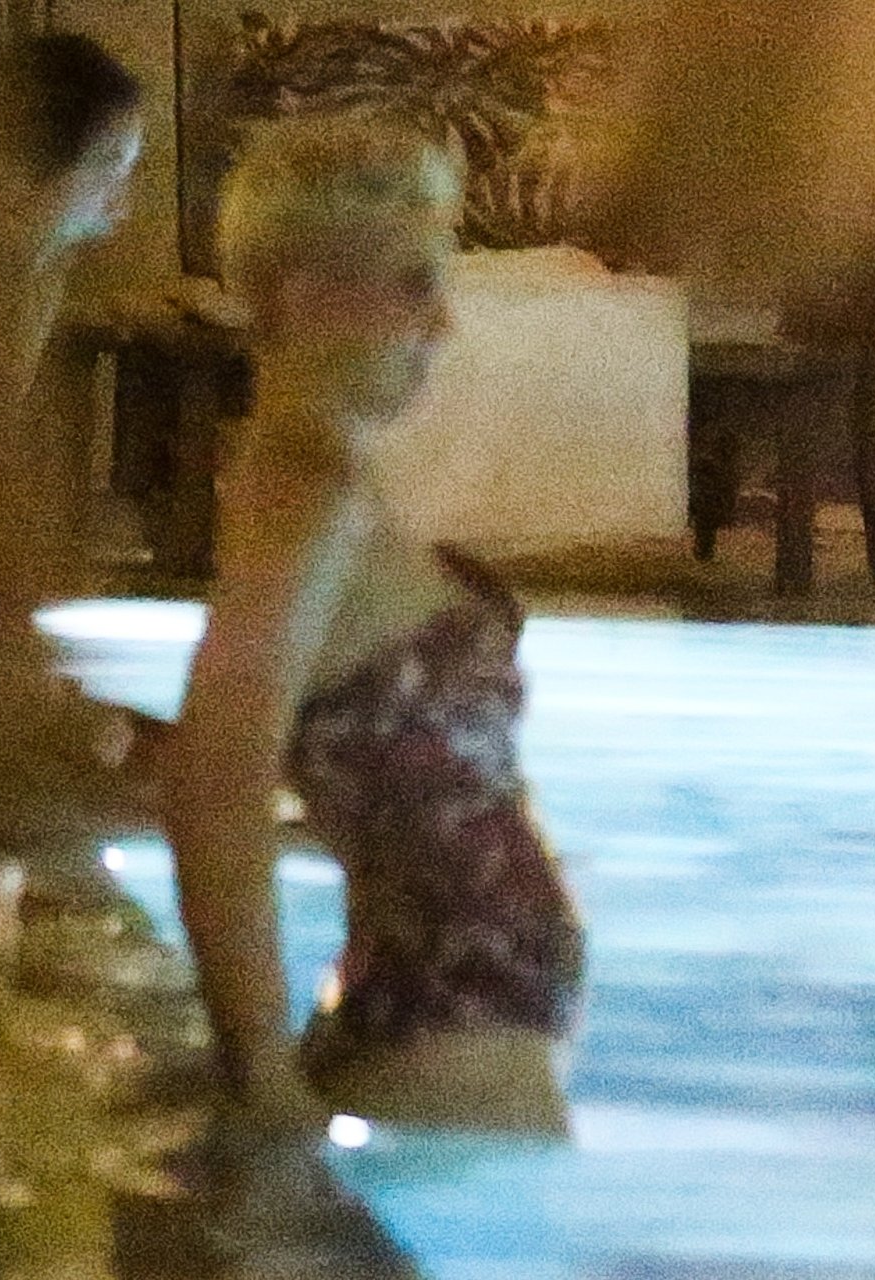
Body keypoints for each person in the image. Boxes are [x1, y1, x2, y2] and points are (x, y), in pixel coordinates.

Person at [162, 113, 585, 1137]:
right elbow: (214, 783)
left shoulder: (317, 480)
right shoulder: (304, 492)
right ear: (305, 294)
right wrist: (263, 1078)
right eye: (413, 284)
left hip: (437, 1030)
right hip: (442, 1047)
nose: (441, 326)